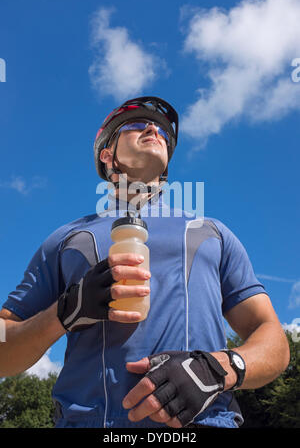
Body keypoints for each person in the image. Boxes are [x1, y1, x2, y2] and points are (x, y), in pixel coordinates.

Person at [0, 97, 290, 429]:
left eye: (162, 130)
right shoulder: (66, 240)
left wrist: (217, 369)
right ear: (107, 155)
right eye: (136, 124)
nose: (153, 128)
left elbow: (274, 342)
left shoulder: (213, 234)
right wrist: (64, 312)